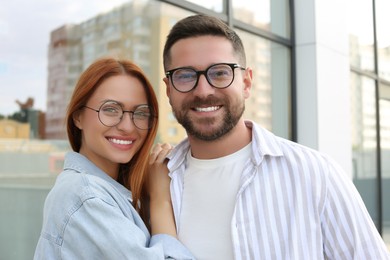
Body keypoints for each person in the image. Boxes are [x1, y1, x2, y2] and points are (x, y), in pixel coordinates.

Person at [159, 14, 390, 259]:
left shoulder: (317, 175)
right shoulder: (158, 182)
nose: (203, 90)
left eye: (220, 73)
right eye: (185, 76)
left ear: (246, 83)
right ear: (168, 89)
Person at [34, 57, 194, 259]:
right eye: (110, 109)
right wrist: (160, 199)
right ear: (78, 116)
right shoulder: (86, 197)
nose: (128, 126)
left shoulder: (111, 191)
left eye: (141, 113)